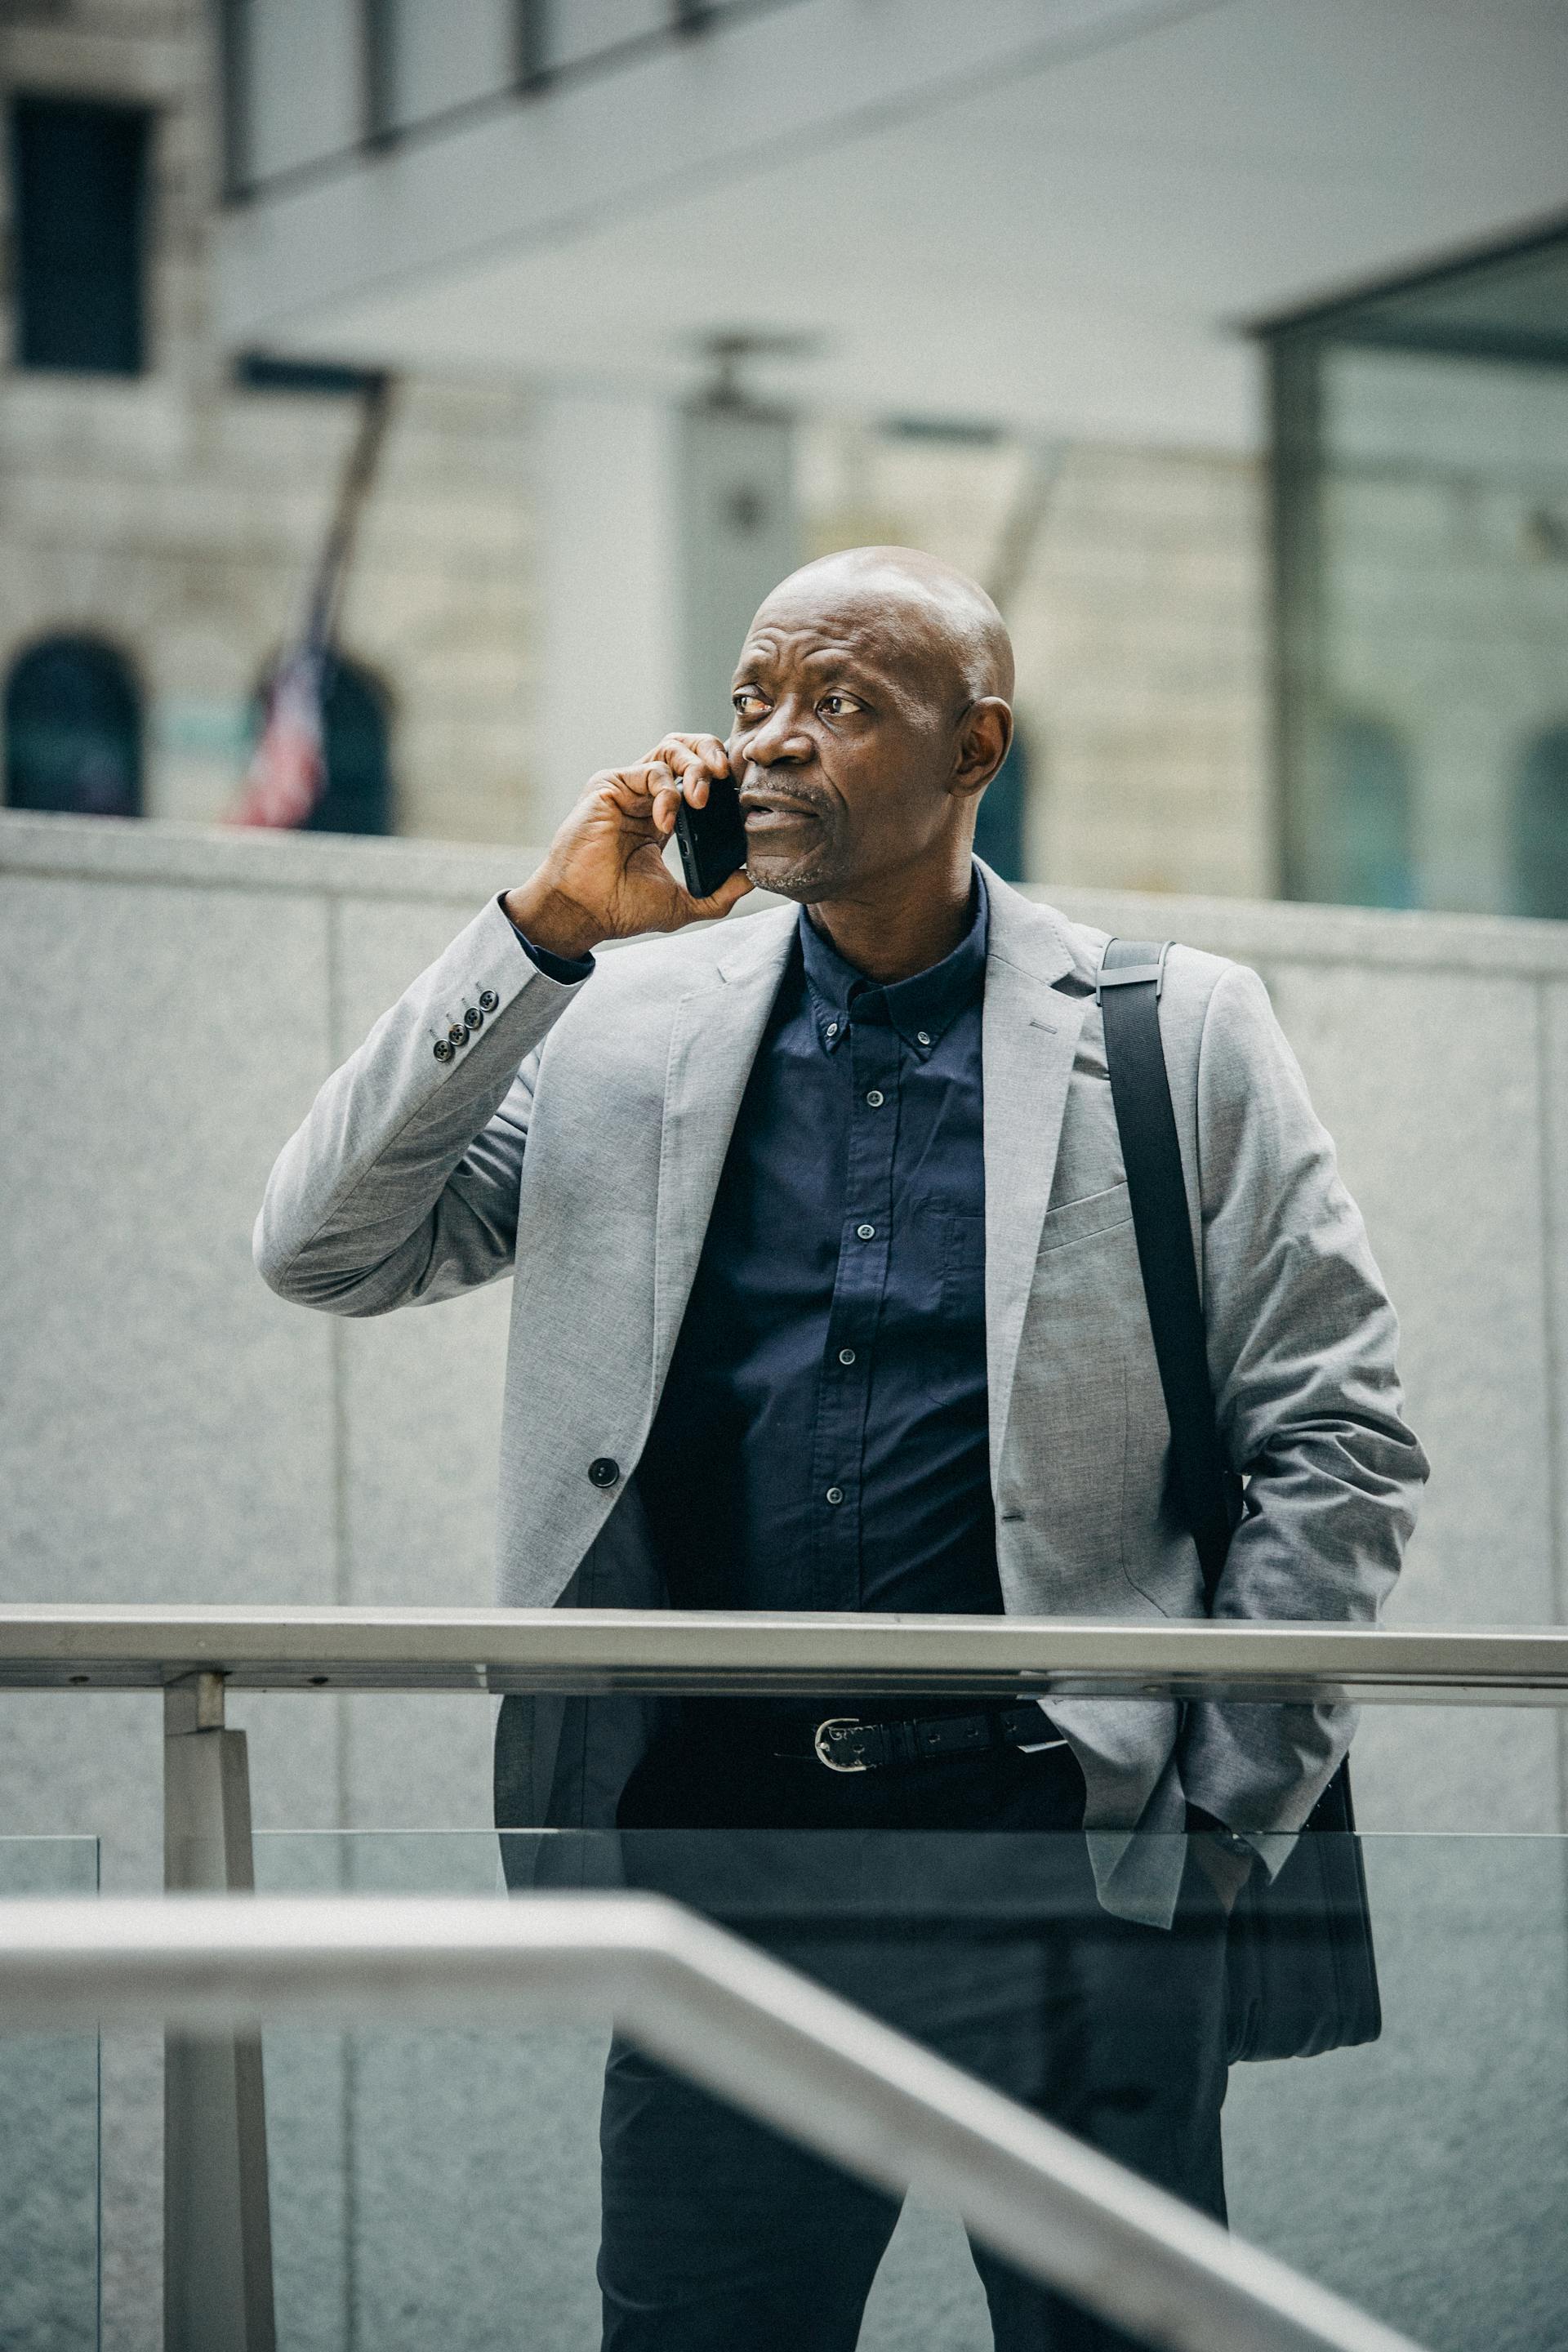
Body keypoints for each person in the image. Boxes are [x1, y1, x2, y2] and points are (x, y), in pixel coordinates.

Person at [256, 546, 1427, 2349]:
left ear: (978, 749)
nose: (773, 746)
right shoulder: (624, 1036)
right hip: (720, 1874)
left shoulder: (1171, 1034)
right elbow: (326, 1245)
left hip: (1068, 1851)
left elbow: (1336, 1439)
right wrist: (543, 936)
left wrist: (1211, 1825)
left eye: (841, 706)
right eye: (753, 704)